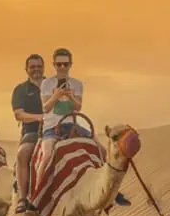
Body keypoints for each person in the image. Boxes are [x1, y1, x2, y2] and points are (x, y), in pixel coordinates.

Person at [33, 47, 130, 207]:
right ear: (54, 65)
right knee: (47, 156)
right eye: (59, 64)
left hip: (72, 124)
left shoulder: (76, 84)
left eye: (65, 64)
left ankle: (111, 192)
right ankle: (37, 196)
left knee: (102, 150)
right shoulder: (46, 83)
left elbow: (78, 107)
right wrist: (56, 95)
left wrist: (71, 97)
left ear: (70, 64)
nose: (62, 68)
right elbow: (45, 108)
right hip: (51, 128)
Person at [11, 54, 45, 214]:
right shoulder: (20, 90)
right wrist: (39, 118)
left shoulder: (53, 85)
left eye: (39, 66)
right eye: (33, 67)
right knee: (22, 155)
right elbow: (19, 114)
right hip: (32, 132)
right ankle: (22, 198)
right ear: (26, 69)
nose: (36, 69)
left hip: (56, 130)